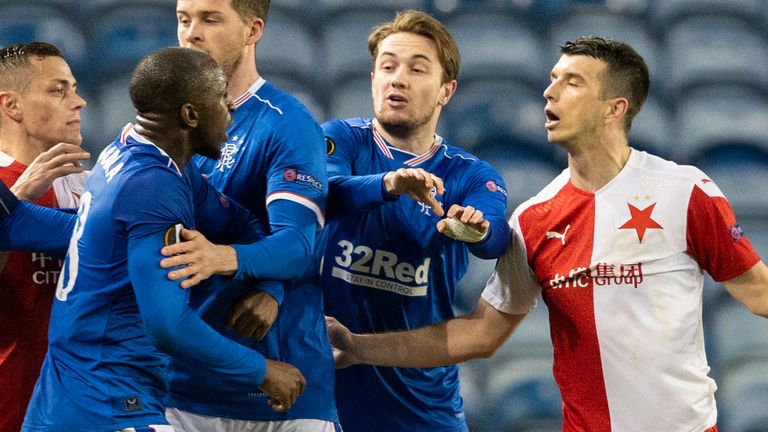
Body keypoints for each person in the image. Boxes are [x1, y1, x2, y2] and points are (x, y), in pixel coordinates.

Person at [326, 36, 768, 432]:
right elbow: (480, 335)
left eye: (572, 82)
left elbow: (758, 294)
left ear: (615, 108)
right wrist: (360, 348)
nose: (549, 91)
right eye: (553, 78)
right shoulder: (534, 219)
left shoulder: (684, 191)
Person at [22, 47, 306, 432]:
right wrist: (260, 369)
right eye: (221, 99)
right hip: (110, 404)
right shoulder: (153, 187)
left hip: (66, 399)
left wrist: (270, 284)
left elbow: (240, 224)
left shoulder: (131, 154)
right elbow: (167, 325)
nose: (231, 110)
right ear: (190, 115)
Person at [319, 10, 510, 432]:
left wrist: (473, 228)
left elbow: (494, 238)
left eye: (416, 69)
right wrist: (389, 184)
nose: (397, 79)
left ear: (446, 90)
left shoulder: (469, 175)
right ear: (372, 79)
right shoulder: (341, 139)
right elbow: (325, 192)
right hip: (324, 403)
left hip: (423, 411)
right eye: (387, 67)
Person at [158, 1, 333, 430]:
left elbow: (298, 244)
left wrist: (223, 259)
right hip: (180, 389)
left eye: (210, 19)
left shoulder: (285, 123)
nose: (191, 34)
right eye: (184, 20)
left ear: (253, 30)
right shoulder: (162, 126)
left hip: (282, 389)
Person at [0, 41, 91, 432]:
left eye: (73, 88)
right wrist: (17, 198)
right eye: (58, 90)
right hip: (10, 403)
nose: (79, 101)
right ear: (11, 105)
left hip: (84, 405)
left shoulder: (92, 185)